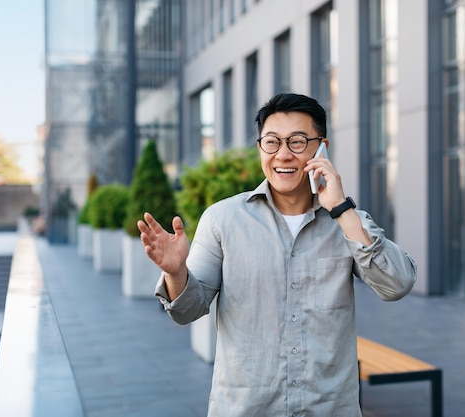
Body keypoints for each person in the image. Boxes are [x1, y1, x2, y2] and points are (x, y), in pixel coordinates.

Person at [137, 92, 417, 417]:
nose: (283, 155)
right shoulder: (222, 219)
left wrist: (342, 209)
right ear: (260, 148)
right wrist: (176, 273)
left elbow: (397, 284)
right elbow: (187, 311)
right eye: (272, 142)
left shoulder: (346, 220)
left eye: (297, 142)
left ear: (321, 147)